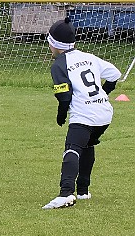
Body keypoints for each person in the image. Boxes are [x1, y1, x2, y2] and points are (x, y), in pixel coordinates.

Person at [42, 19, 121, 210]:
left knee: (72, 148)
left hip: (85, 114)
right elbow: (115, 74)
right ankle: (84, 190)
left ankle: (66, 193)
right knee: (88, 144)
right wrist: (103, 94)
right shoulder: (89, 56)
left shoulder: (59, 65)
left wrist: (61, 115)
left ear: (53, 43)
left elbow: (64, 95)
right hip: (104, 113)